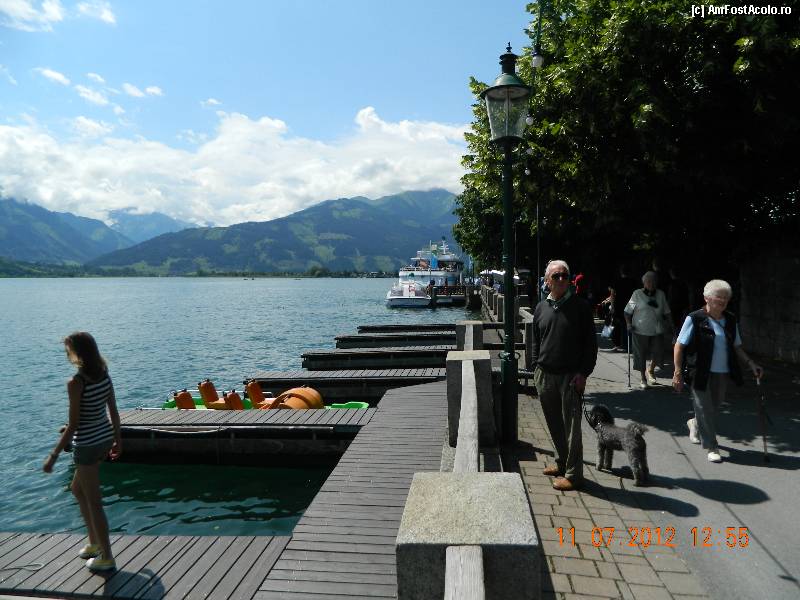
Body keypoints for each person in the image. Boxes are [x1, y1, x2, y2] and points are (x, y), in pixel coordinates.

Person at [43, 332, 122, 571]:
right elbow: (113, 411)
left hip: (87, 445)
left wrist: (53, 456)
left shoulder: (76, 383)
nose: (67, 353)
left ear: (77, 352)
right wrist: (118, 441)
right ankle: (94, 543)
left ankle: (106, 557)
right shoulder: (104, 375)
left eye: (68, 349)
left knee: (95, 503)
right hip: (104, 439)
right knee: (77, 489)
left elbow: (74, 425)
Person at [672, 280, 763, 463]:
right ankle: (712, 447)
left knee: (714, 406)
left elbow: (736, 347)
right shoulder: (695, 318)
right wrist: (678, 371)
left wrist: (751, 364)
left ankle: (694, 423)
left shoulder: (730, 319)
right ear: (707, 298)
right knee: (704, 408)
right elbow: (679, 346)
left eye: (726, 298)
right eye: (719, 297)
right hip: (699, 372)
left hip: (722, 372)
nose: (723, 301)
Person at [530, 260, 598, 491]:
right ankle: (561, 462)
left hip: (570, 377)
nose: (561, 279)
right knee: (554, 424)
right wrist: (535, 366)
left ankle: (573, 475)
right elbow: (535, 340)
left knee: (572, 430)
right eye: (556, 276)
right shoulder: (541, 307)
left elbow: (590, 345)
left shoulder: (580, 307)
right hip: (545, 374)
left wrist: (583, 374)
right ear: (547, 281)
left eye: (565, 275)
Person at [625, 271, 671, 388]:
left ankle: (650, 369)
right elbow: (627, 311)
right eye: (649, 281)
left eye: (654, 281)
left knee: (658, 352)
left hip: (657, 329)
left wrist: (671, 325)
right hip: (640, 329)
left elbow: (667, 311)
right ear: (644, 283)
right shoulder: (637, 294)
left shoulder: (660, 294)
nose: (651, 283)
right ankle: (643, 378)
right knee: (640, 354)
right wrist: (628, 323)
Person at [611, 265, 636, 352]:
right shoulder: (633, 281)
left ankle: (617, 344)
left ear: (621, 272)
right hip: (630, 305)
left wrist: (612, 306)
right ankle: (628, 345)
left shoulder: (617, 281)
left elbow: (612, 294)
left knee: (618, 325)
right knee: (628, 324)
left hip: (619, 305)